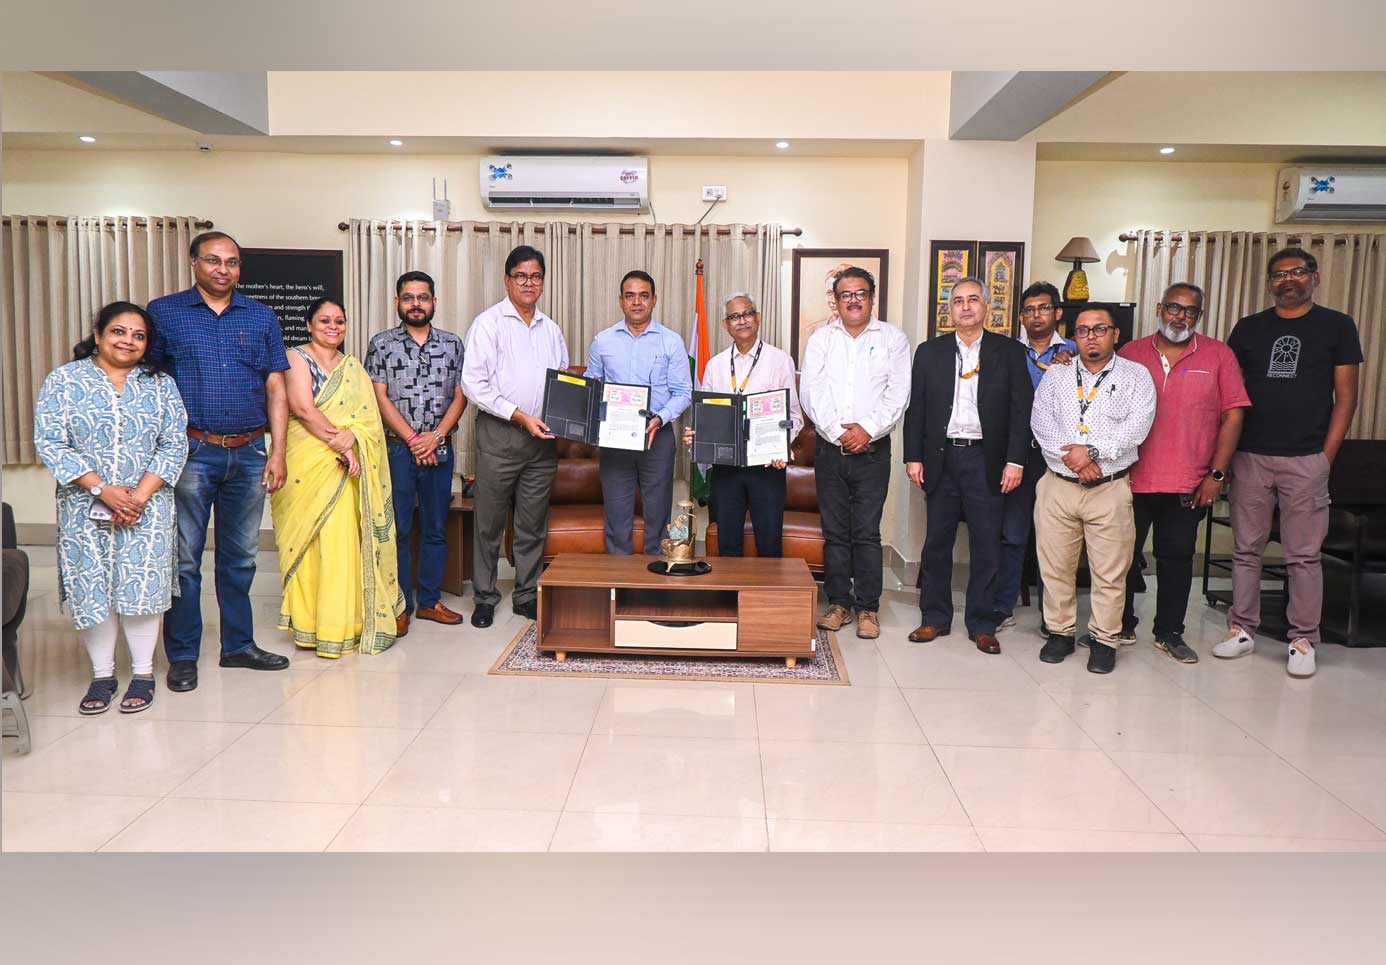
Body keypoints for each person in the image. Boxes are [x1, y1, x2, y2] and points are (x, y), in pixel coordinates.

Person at [148, 231, 290, 693]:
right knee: (185, 560)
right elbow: (148, 381)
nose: (223, 269)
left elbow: (275, 386)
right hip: (192, 451)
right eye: (213, 260)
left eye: (231, 262)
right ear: (194, 262)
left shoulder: (261, 315)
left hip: (249, 452)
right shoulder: (164, 313)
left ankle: (238, 646)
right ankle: (183, 655)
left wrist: (278, 451)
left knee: (241, 558)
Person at [34, 302, 188, 714]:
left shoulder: (160, 385)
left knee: (143, 586)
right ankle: (102, 675)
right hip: (84, 505)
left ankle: (143, 674)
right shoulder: (65, 381)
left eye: (139, 336)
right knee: (93, 587)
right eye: (119, 331)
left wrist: (137, 497)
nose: (128, 341)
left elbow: (174, 443)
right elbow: (51, 442)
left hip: (148, 506)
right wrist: (102, 489)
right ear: (99, 334)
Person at [1217, 247, 1362, 677]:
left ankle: (1302, 640)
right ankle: (1242, 629)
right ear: (1270, 283)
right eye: (1279, 275)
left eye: (1297, 272)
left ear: (1314, 277)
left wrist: (1324, 458)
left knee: (1303, 556)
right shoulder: (1249, 328)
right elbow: (1230, 393)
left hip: (1306, 458)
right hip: (1251, 455)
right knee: (1246, 549)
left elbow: (1346, 398)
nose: (1288, 280)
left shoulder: (1337, 325)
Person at [1118, 284, 1249, 663]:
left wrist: (1216, 475)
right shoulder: (1130, 353)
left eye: (1190, 311)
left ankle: (1169, 632)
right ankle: (1119, 625)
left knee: (1176, 559)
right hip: (1130, 478)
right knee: (1120, 557)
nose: (1180, 317)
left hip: (1189, 481)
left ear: (1199, 316)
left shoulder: (1218, 355)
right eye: (1174, 308)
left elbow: (1233, 415)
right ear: (1159, 309)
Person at [903, 277, 1032, 654]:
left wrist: (1015, 461)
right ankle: (934, 617)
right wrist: (913, 456)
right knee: (937, 542)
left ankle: (982, 623)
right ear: (949, 310)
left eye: (973, 299)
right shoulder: (930, 352)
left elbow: (1021, 410)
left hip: (986, 459)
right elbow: (916, 408)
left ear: (986, 307)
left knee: (987, 544)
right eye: (958, 300)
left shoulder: (1009, 352)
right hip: (941, 457)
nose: (965, 306)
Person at [272, 298, 404, 658]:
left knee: (342, 542)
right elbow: (302, 408)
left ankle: (345, 624)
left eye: (339, 321)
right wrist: (343, 444)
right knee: (311, 545)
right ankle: (311, 625)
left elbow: (367, 421)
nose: (333, 327)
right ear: (309, 325)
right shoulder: (296, 357)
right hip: (309, 463)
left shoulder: (353, 368)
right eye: (325, 321)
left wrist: (353, 438)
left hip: (346, 466)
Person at [1030, 305, 1156, 674]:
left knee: (1110, 572)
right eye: (1083, 330)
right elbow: (1041, 423)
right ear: (1075, 337)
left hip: (1109, 488)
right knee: (1056, 567)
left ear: (1115, 334)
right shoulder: (1057, 375)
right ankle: (1060, 632)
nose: (1091, 337)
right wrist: (1075, 459)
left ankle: (1104, 640)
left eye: (1100, 329)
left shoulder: (1136, 376)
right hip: (1058, 486)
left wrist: (1094, 453)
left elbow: (1138, 426)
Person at [799, 266, 912, 640]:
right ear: (836, 300)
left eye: (860, 292)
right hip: (830, 451)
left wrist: (866, 430)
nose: (853, 300)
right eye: (845, 294)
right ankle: (838, 604)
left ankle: (868, 608)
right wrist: (837, 433)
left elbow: (898, 393)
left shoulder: (893, 339)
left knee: (866, 532)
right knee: (834, 533)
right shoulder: (821, 339)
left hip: (873, 452)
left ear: (872, 297)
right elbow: (812, 392)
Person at [461, 245, 569, 627]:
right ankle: (485, 597)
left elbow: (561, 381)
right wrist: (519, 415)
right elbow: (473, 384)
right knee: (489, 523)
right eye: (521, 276)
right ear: (507, 280)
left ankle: (526, 595)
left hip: (542, 441)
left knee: (531, 524)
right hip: (500, 435)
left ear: (543, 282)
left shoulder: (551, 329)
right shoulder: (488, 323)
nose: (528, 283)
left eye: (535, 276)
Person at [365, 271, 467, 636]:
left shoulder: (453, 344)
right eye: (408, 298)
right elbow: (378, 396)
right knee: (400, 530)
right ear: (397, 302)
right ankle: (400, 606)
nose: (416, 304)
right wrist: (413, 439)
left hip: (440, 450)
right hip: (397, 451)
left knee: (436, 528)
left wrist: (435, 438)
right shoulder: (381, 344)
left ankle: (429, 602)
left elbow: (462, 395)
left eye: (423, 298)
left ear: (434, 302)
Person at [682, 292, 804, 556]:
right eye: (734, 316)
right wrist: (698, 435)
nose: (742, 320)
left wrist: (781, 446)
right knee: (728, 544)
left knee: (769, 543)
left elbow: (794, 415)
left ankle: (769, 585)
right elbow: (708, 414)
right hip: (726, 467)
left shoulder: (780, 360)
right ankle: (731, 586)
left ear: (757, 318)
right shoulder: (715, 365)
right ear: (725, 324)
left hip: (767, 466)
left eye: (747, 314)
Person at [584, 270, 693, 554]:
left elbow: (684, 393)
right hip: (615, 439)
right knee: (617, 517)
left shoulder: (671, 341)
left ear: (654, 300)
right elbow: (593, 385)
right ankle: (618, 578)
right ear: (620, 300)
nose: (636, 302)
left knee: (658, 517)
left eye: (643, 295)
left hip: (657, 435)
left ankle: (653, 575)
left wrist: (660, 418)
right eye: (630, 296)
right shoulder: (603, 341)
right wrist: (583, 390)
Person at [993, 281, 1075, 632]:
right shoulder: (1008, 352)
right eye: (1029, 310)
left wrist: (1068, 369)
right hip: (1018, 454)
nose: (1036, 315)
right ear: (1021, 317)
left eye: (1043, 308)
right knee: (1013, 534)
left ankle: (1052, 617)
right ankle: (1002, 606)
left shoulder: (1076, 351)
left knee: (1054, 539)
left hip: (1060, 457)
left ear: (1058, 313)